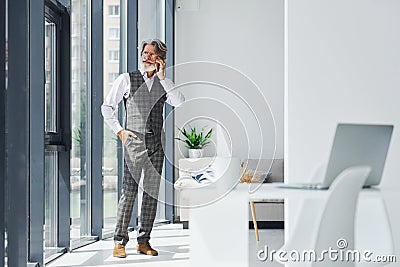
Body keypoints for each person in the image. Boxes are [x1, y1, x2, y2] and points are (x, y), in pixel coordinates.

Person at [101, 39, 185, 258]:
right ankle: (119, 241)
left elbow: (180, 102)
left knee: (151, 194)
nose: (147, 56)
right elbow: (107, 107)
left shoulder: (164, 83)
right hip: (134, 144)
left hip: (157, 144)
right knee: (129, 192)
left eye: (152, 54)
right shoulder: (127, 79)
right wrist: (120, 130)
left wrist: (163, 78)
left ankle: (143, 241)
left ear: (160, 59)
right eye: (145, 52)